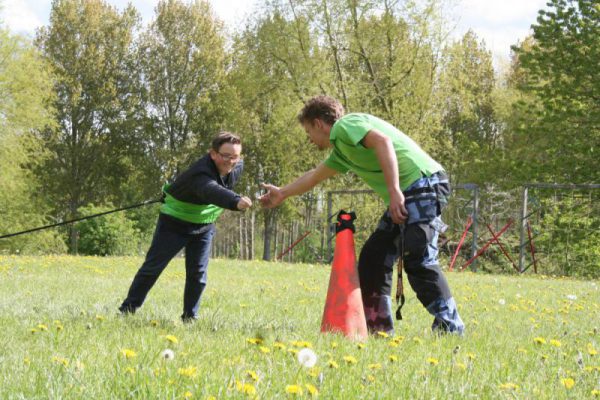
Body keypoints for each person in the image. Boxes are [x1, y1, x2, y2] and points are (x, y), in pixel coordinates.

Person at [259, 96, 464, 335]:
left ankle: (451, 327)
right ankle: (379, 328)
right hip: (409, 191)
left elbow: (383, 142)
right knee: (373, 259)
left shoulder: (346, 125)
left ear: (318, 124)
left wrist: (394, 190)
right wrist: (282, 193)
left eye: (308, 132)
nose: (309, 139)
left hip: (423, 184)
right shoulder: (343, 151)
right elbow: (315, 176)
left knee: (418, 257)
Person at [119, 132, 252, 322]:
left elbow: (220, 186)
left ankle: (190, 318)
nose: (231, 161)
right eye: (225, 156)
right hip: (174, 224)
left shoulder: (237, 166)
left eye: (235, 156)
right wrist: (235, 201)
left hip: (204, 226)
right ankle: (127, 311)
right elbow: (210, 189)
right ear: (213, 154)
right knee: (152, 268)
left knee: (198, 274)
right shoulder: (200, 173)